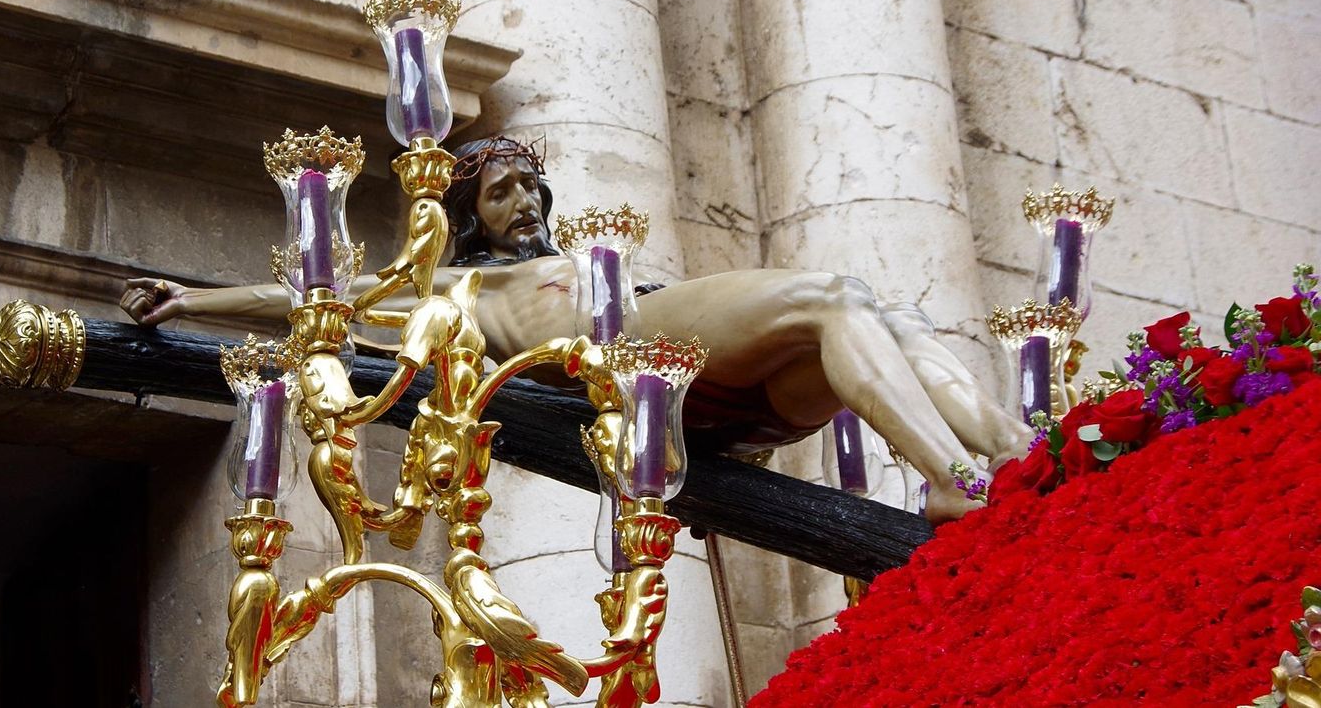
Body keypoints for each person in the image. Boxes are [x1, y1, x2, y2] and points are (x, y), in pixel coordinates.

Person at [121, 137, 1031, 520]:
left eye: (532, 185)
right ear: (469, 216)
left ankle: (1015, 455)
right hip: (645, 367)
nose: (527, 201)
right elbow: (318, 297)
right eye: (502, 192)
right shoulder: (460, 283)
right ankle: (957, 482)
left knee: (881, 313)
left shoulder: (584, 264)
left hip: (723, 395)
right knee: (834, 295)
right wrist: (193, 301)